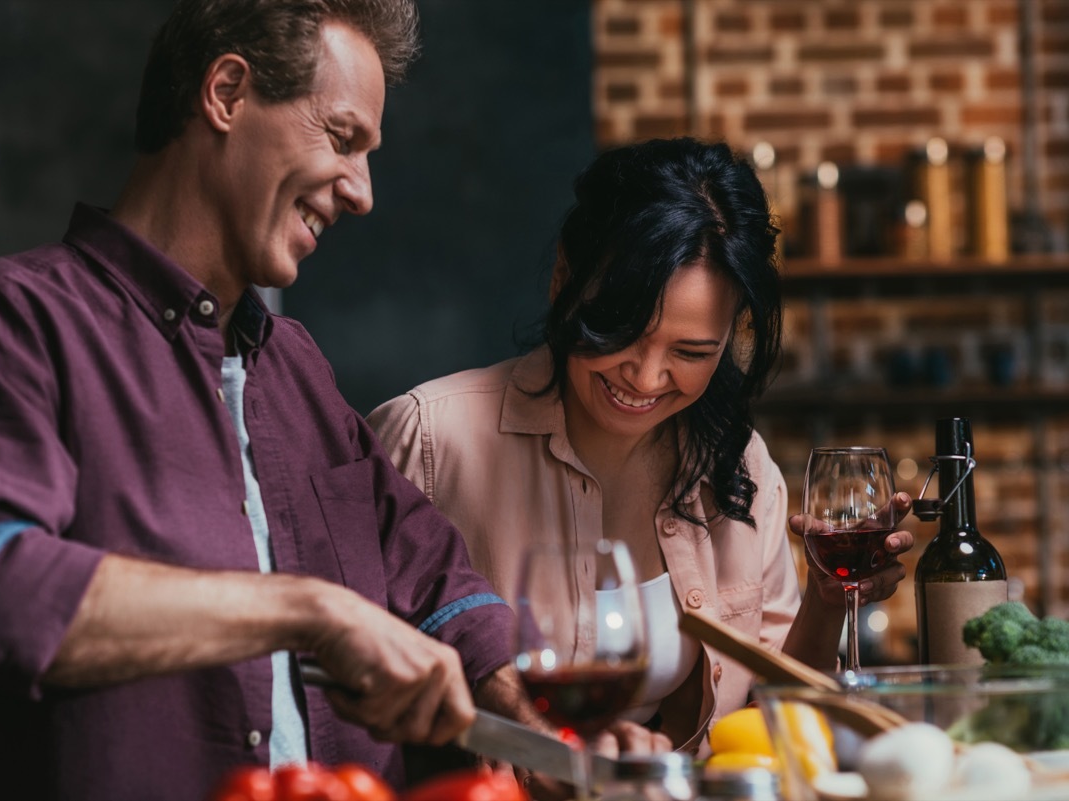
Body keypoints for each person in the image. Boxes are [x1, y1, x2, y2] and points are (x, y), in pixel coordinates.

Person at [0, 2, 556, 798]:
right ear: (228, 92)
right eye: (343, 138)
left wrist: (515, 697)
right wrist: (303, 608)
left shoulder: (300, 369)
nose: (362, 192)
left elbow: (429, 569)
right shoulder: (8, 324)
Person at [368, 137, 917, 755]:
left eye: (691, 353)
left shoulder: (739, 466)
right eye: (623, 331)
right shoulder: (429, 442)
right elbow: (338, 687)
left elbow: (772, 719)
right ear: (564, 280)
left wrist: (824, 602)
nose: (647, 377)